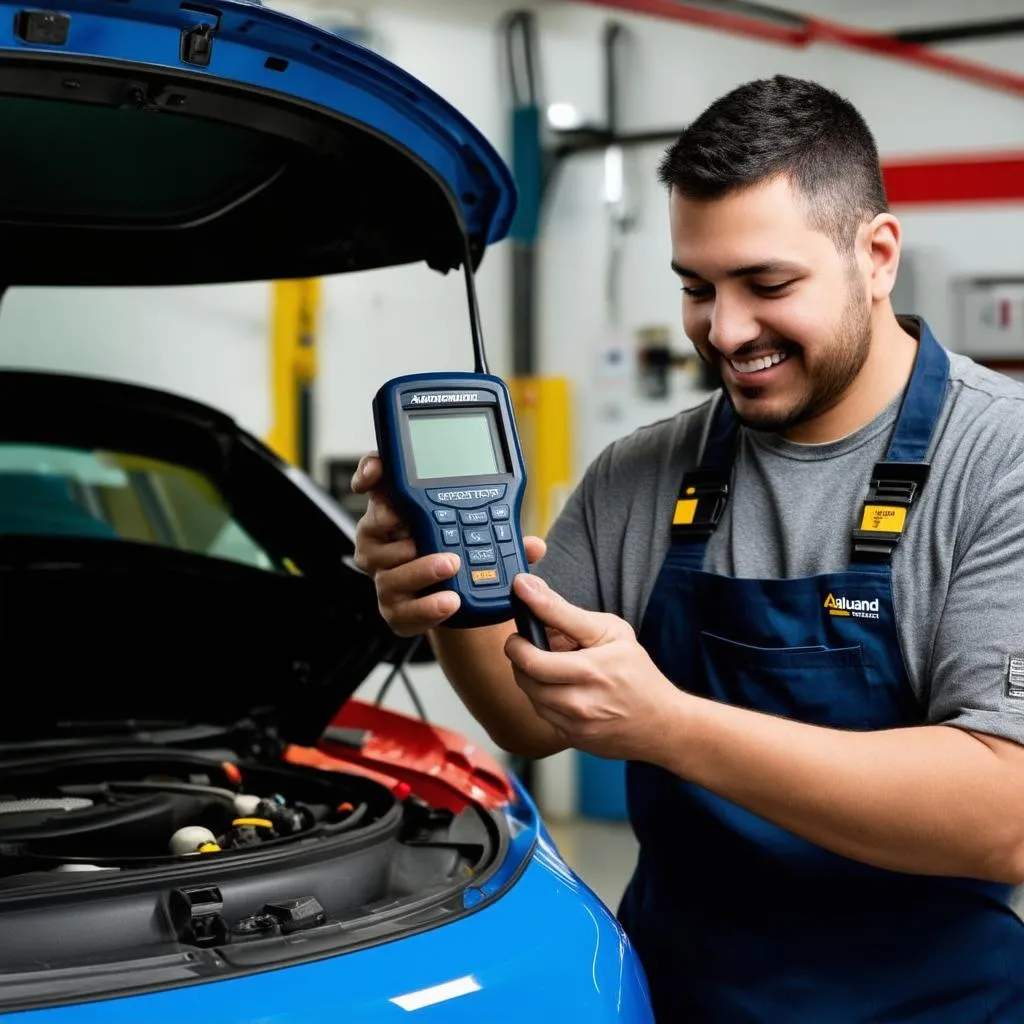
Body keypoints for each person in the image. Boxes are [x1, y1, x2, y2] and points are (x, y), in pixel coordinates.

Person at [352, 74, 1024, 1021]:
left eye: (768, 284)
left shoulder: (998, 461)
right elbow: (534, 716)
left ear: (877, 256)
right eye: (696, 288)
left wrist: (670, 725)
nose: (726, 329)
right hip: (679, 994)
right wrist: (448, 595)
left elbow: (1004, 816)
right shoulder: (645, 471)